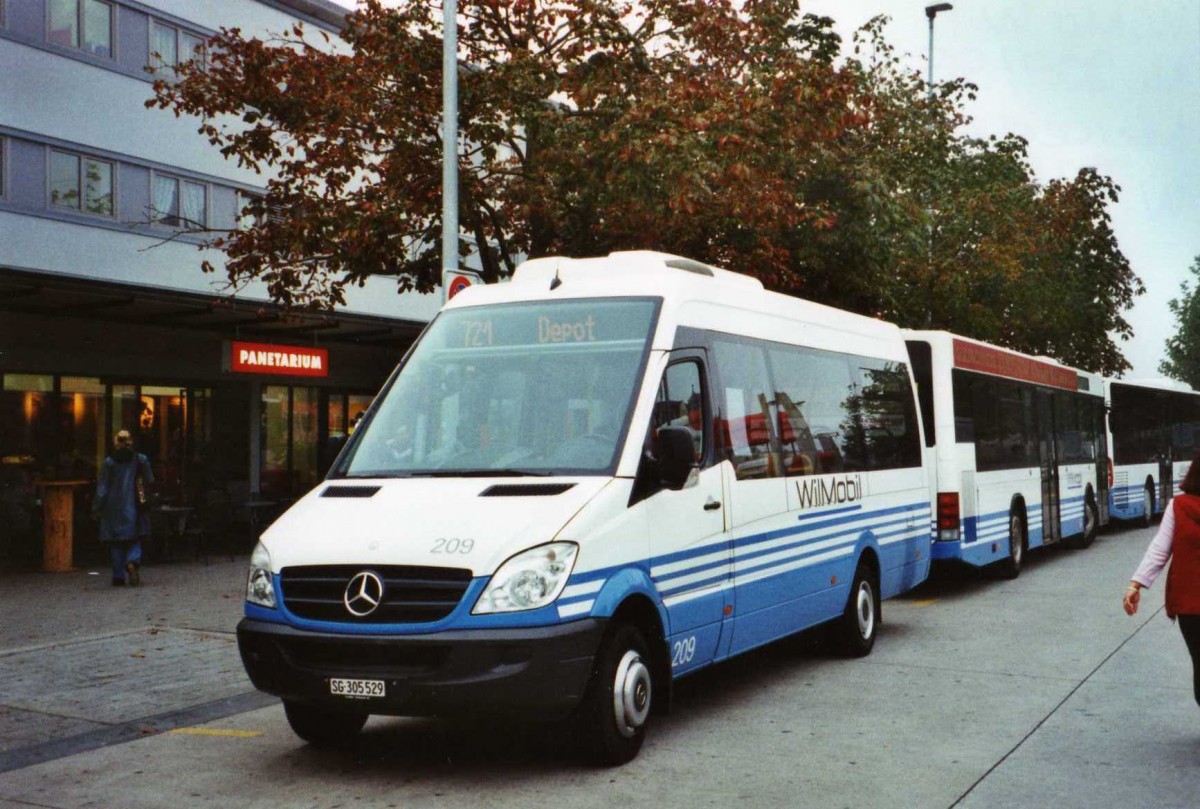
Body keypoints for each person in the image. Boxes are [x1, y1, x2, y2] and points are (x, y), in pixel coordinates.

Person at [1123, 454, 1200, 708]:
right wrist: (1136, 584)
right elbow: (1160, 548)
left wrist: (1136, 584)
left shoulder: (1179, 506)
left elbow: (1160, 549)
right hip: (1192, 607)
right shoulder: (1178, 507)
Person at [92, 430, 154, 587]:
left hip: (112, 507)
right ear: (130, 442)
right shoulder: (140, 459)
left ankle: (118, 576)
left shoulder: (109, 463)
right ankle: (132, 561)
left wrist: (97, 507)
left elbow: (102, 488)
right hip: (135, 504)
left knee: (116, 543)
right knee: (135, 537)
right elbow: (149, 479)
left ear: (116, 443)